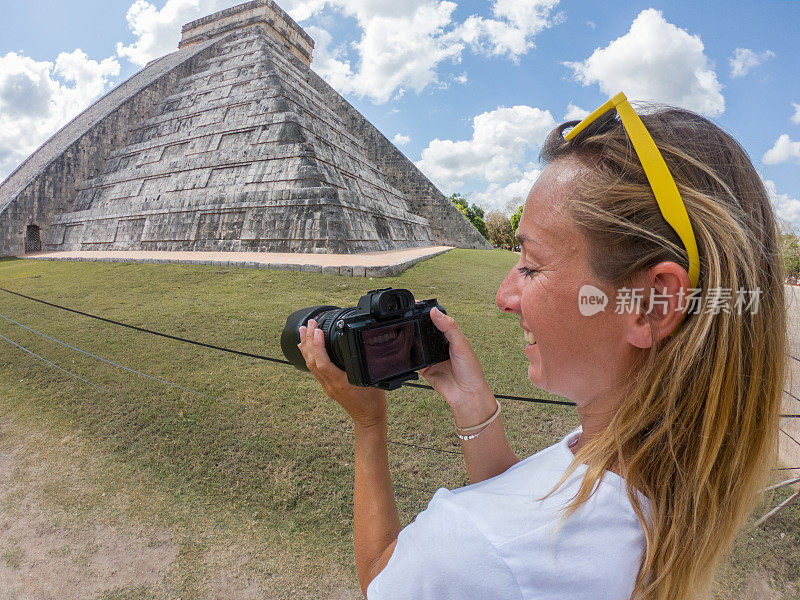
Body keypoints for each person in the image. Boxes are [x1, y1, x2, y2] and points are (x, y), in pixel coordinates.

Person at [297, 93, 786, 600]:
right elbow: (535, 512)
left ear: (653, 305)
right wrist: (473, 408)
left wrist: (368, 424)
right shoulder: (671, 458)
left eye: (530, 265)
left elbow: (383, 577)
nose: (504, 296)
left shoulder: (473, 547)